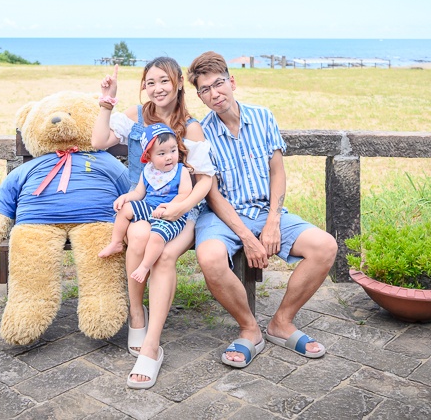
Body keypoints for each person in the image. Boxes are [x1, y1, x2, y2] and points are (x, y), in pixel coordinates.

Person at [187, 51, 337, 368]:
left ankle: (281, 322)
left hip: (265, 211)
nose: (214, 94)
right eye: (204, 89)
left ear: (232, 82)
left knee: (325, 246)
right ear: (199, 96)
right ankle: (249, 329)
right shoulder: (202, 133)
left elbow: (277, 172)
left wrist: (272, 222)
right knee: (210, 257)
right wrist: (247, 236)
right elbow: (212, 194)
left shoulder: (264, 117)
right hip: (222, 216)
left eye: (218, 84)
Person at [91, 58, 215, 389]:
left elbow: (204, 179)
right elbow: (99, 140)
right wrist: (108, 100)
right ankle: (136, 313)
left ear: (177, 84)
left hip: (182, 210)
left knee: (162, 255)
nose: (157, 88)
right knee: (137, 231)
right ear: (144, 87)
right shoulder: (135, 116)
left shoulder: (190, 127)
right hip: (143, 204)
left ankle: (151, 346)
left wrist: (182, 207)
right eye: (150, 82)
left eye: (164, 81)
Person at [98, 123, 198, 284]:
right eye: (162, 153)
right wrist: (125, 197)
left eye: (173, 150)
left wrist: (170, 208)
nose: (169, 157)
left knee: (156, 237)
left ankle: (144, 266)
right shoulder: (148, 171)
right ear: (149, 156)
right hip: (149, 207)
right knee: (126, 209)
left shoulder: (181, 170)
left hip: (172, 215)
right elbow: (139, 193)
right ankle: (116, 243)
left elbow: (185, 194)